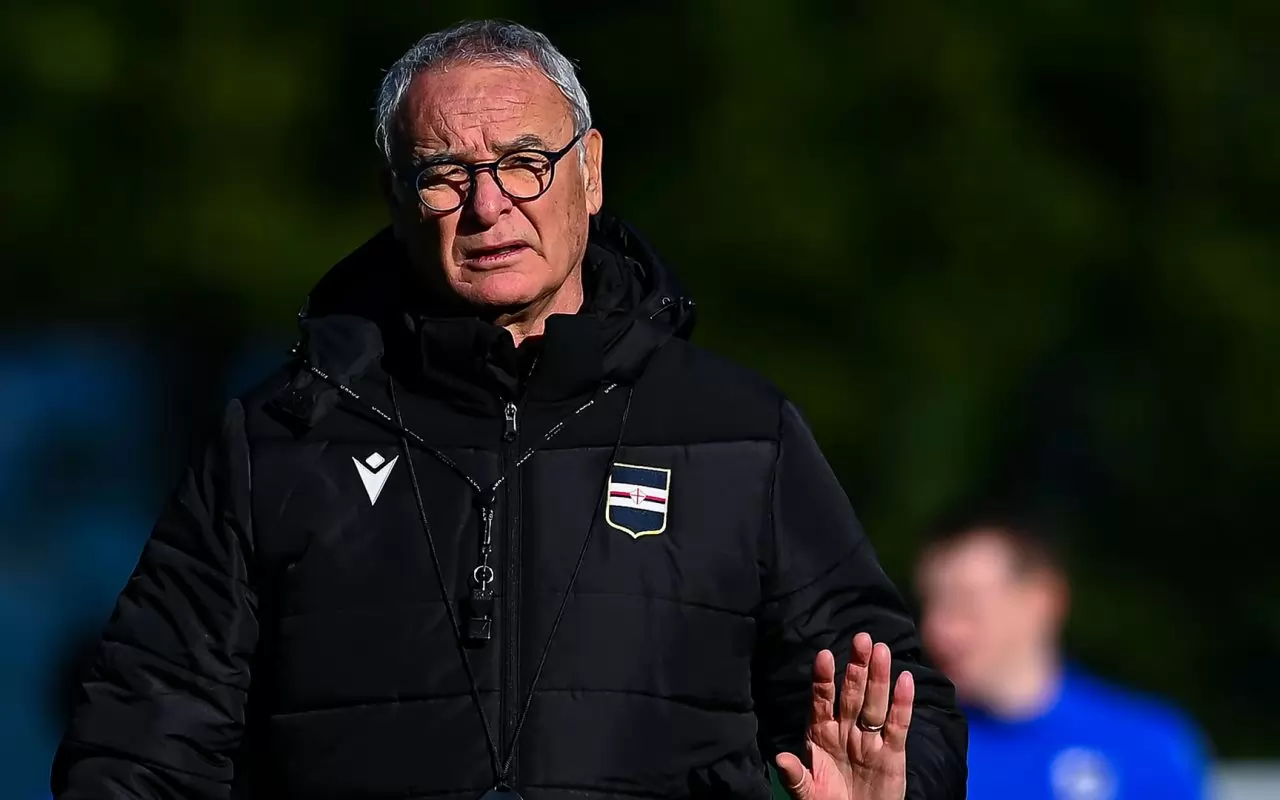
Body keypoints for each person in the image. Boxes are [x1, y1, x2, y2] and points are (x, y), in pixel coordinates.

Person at [51, 20, 966, 800]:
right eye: (444, 174)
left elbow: (892, 709)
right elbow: (138, 742)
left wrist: (897, 787)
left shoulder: (739, 431)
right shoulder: (280, 441)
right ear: (394, 197)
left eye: (526, 164)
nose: (488, 206)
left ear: (590, 173)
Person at [914, 512, 1208, 799]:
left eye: (964, 605)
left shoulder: (1145, 749)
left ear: (1042, 600)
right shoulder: (910, 750)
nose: (937, 630)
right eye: (929, 605)